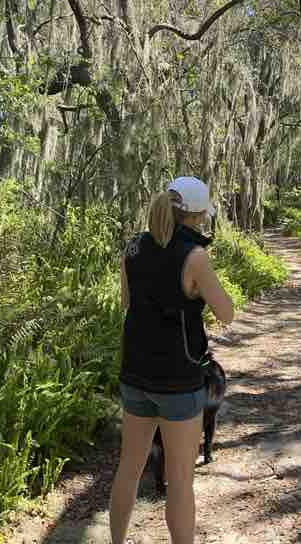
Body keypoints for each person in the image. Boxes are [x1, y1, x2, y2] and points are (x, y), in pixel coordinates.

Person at [108, 176, 236, 544]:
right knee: (180, 481)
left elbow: (126, 304)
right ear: (197, 215)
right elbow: (226, 313)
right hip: (179, 382)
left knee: (128, 470)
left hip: (135, 377)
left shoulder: (132, 248)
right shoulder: (194, 256)